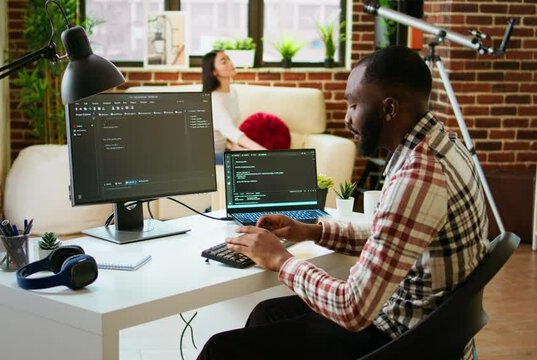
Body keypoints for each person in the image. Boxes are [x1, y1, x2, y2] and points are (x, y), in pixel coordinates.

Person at [197, 45, 489, 360]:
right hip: (427, 323)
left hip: (402, 341)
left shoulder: (417, 176)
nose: (347, 118)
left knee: (221, 350)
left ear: (389, 109)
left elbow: (352, 309)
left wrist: (279, 259)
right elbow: (392, 234)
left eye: (353, 105)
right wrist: (310, 231)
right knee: (266, 314)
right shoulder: (444, 145)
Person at [202, 50, 265, 164]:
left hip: (224, 151)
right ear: (214, 71)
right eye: (223, 61)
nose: (230, 63)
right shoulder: (213, 99)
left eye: (229, 59)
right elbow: (231, 131)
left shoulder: (233, 92)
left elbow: (231, 129)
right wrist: (265, 152)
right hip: (210, 158)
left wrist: (236, 147)